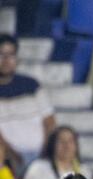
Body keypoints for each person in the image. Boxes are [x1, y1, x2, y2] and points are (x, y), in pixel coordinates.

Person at [0, 34, 55, 164]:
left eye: (11, 55)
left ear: (17, 59)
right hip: (8, 159)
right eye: (1, 55)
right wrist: (12, 156)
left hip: (42, 154)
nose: (6, 60)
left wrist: (45, 151)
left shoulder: (32, 85)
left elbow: (49, 121)